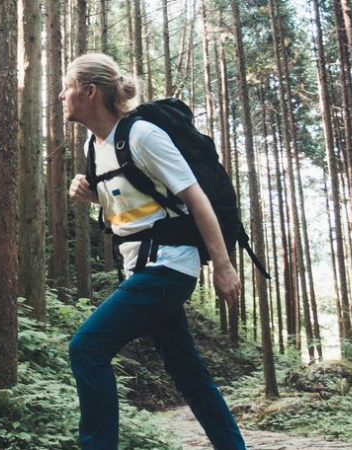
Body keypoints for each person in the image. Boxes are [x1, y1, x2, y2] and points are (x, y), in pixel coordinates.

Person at [62, 53, 248, 450]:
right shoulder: (93, 147)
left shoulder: (144, 134)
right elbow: (132, 209)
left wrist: (223, 265)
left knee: (87, 347)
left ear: (89, 92)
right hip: (140, 268)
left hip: (168, 266)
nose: (62, 94)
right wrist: (92, 195)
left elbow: (195, 197)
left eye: (68, 85)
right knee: (188, 372)